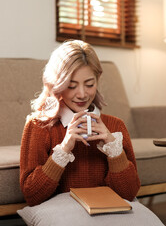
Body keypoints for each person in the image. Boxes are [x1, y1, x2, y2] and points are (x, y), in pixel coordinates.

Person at [19, 40, 141, 207]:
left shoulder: (115, 126)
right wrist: (63, 150)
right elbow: (32, 195)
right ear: (57, 85)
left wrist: (113, 149)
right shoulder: (38, 126)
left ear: (98, 79)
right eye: (71, 86)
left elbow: (129, 194)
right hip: (63, 213)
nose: (82, 94)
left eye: (89, 84)